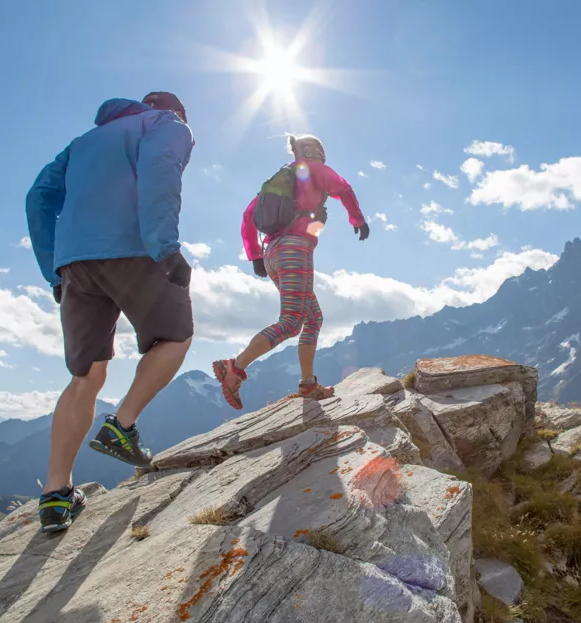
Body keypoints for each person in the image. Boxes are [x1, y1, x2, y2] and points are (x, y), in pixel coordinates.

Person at [25, 91, 195, 532]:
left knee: (86, 375)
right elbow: (161, 170)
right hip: (134, 248)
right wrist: (165, 245)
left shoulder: (82, 143)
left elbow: (38, 197)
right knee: (176, 336)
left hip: (74, 263)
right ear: (173, 110)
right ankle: (122, 424)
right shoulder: (167, 125)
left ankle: (55, 496)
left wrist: (53, 271)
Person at [212, 134, 369, 410]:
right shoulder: (313, 169)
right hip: (295, 250)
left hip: (273, 254)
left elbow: (248, 217)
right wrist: (358, 219)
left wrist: (255, 256)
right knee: (291, 322)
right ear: (318, 153)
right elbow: (344, 188)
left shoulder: (278, 179)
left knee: (313, 318)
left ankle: (308, 384)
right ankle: (234, 367)